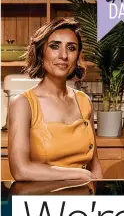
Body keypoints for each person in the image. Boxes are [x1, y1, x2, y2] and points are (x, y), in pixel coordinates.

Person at [8, 18, 103, 181]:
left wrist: (100, 202)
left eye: (71, 48)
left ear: (77, 56)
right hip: (41, 201)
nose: (64, 55)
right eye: (54, 46)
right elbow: (20, 170)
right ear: (41, 52)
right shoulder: (23, 104)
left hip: (82, 201)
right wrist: (81, 175)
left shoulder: (84, 101)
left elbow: (95, 166)